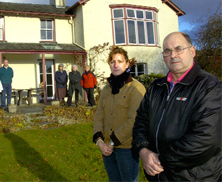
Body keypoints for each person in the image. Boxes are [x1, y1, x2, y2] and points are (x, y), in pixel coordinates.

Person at [132, 32, 221, 181]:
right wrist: (143, 150)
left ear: (192, 51)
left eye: (179, 49)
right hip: (158, 176)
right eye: (167, 51)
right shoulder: (156, 87)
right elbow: (141, 122)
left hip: (194, 176)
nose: (173, 55)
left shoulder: (210, 87)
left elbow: (206, 138)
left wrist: (160, 159)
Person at [93, 47, 146, 182]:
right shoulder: (107, 89)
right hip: (106, 149)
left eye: (119, 61)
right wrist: (99, 142)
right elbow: (99, 115)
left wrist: (111, 143)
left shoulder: (136, 88)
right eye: (112, 61)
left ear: (127, 64)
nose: (115, 65)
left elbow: (134, 121)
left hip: (126, 150)